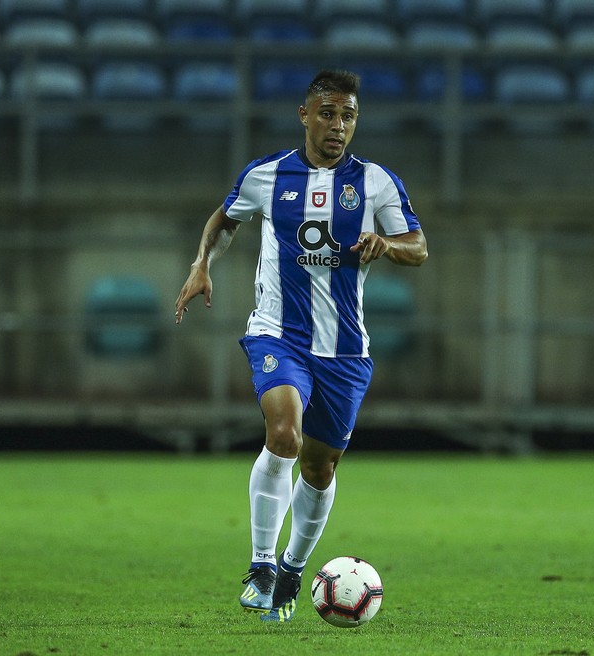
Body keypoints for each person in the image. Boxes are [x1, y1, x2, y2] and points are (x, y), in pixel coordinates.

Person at [174, 69, 428, 623]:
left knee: (320, 467)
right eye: (329, 114)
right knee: (283, 433)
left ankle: (293, 568)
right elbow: (225, 218)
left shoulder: (377, 183)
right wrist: (201, 266)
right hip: (277, 333)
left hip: (343, 349)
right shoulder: (268, 175)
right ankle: (261, 566)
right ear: (305, 115)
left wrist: (387, 244)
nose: (339, 126)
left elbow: (419, 246)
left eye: (349, 116)